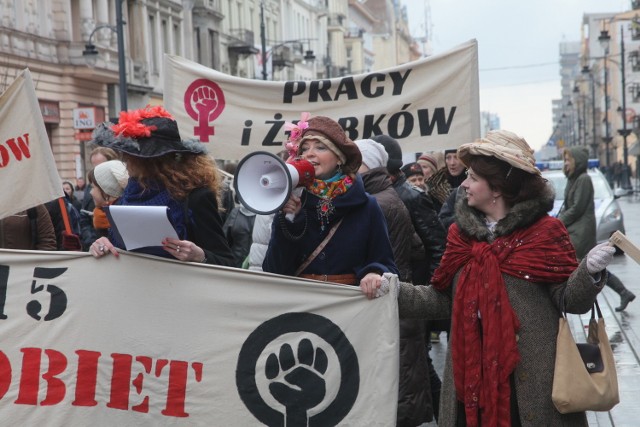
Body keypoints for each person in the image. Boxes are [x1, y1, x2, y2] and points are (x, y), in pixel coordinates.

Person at [362, 130, 615, 426]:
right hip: (471, 377)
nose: (464, 184)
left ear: (497, 187)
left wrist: (589, 272)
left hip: (533, 380)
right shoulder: (460, 235)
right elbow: (442, 300)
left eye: (473, 178)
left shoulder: (545, 232)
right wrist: (392, 290)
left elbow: (569, 300)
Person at [262, 115, 398, 289]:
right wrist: (290, 221)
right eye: (304, 148)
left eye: (320, 147)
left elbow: (386, 263)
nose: (310, 153)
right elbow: (274, 270)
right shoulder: (294, 201)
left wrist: (374, 272)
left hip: (348, 306)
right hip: (301, 304)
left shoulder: (366, 206)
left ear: (340, 158)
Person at [88, 106, 234, 267]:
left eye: (130, 156)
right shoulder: (129, 195)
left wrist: (200, 256)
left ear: (148, 161)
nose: (125, 162)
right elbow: (123, 248)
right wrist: (103, 244)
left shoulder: (196, 197)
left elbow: (227, 261)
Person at [355, 138, 434, 426]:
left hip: (390, 305)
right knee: (406, 379)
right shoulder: (387, 197)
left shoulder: (376, 203)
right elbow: (415, 246)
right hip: (398, 303)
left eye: (356, 162)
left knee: (397, 390)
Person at [558, 146, 635, 311]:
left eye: (568, 160)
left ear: (576, 161)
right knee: (590, 267)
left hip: (581, 232)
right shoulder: (574, 178)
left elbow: (577, 208)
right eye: (564, 160)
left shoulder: (583, 179)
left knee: (584, 267)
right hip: (576, 230)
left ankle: (586, 299)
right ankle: (623, 292)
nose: (565, 163)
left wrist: (558, 222)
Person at [86, 160, 130, 240]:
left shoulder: (120, 218)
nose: (90, 192)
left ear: (107, 191)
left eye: (93, 187)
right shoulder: (101, 215)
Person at [437, 147, 468, 231]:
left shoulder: (472, 185)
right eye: (448, 157)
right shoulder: (436, 188)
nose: (452, 163)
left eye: (456, 157)